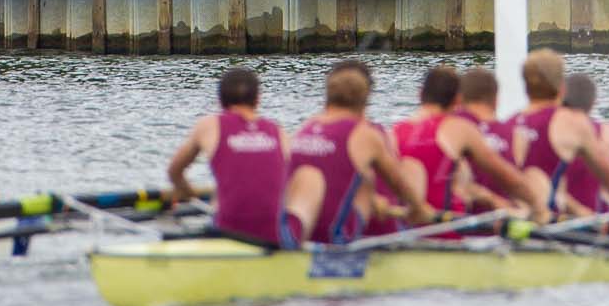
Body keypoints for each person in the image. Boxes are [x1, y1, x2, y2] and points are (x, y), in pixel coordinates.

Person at [282, 59, 431, 247]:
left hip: (301, 231)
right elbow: (398, 184)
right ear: (365, 100)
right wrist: (418, 209)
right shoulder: (364, 133)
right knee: (402, 170)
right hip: (336, 238)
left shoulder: (305, 128)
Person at [509, 52, 609, 222]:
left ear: (525, 86)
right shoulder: (571, 122)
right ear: (562, 88)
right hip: (550, 227)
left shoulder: (508, 122)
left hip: (515, 221)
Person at [165, 67, 287, 246]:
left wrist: (191, 196)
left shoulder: (209, 125)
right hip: (274, 233)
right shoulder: (278, 131)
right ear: (257, 99)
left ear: (220, 100)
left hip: (228, 229)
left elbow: (174, 172)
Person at [430, 68, 547, 220]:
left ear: (460, 98)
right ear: (496, 100)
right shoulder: (516, 133)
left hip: (460, 225)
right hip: (506, 226)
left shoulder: (448, 125)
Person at [388, 64, 460, 209]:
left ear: (420, 94)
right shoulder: (459, 130)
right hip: (450, 225)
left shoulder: (394, 132)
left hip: (408, 226)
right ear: (457, 100)